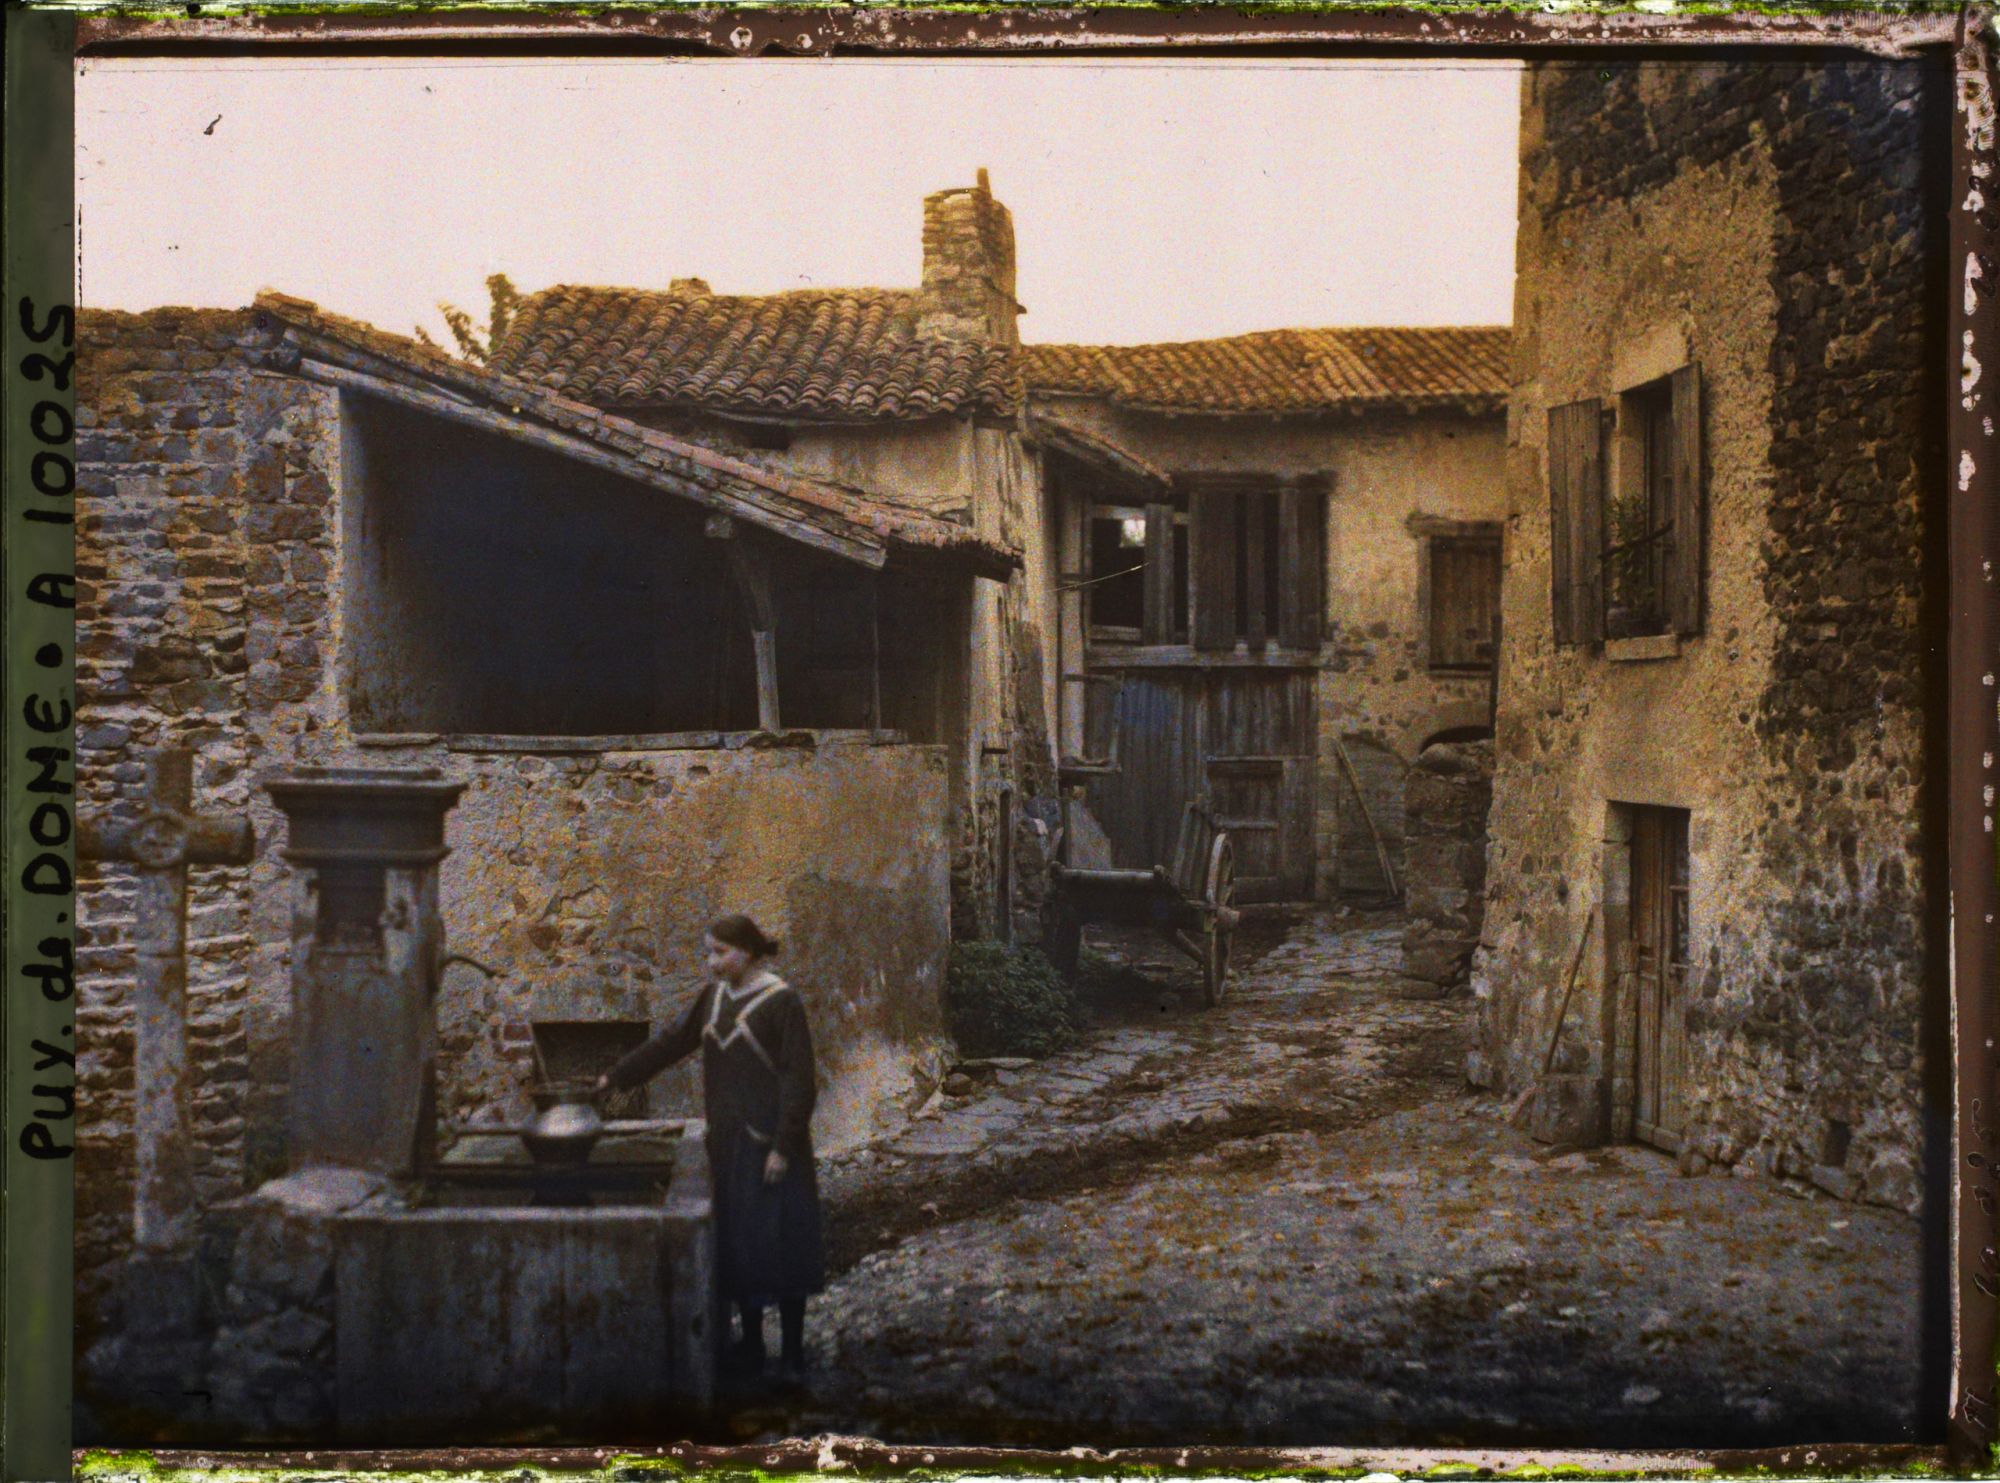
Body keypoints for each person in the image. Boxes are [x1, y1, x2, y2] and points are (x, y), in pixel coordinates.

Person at [597, 914, 825, 1380]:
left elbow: (799, 1081)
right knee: (742, 1243)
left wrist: (784, 1145)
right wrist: (616, 1076)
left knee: (782, 1244)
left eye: (719, 953)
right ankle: (755, 1348)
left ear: (748, 951)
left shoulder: (782, 1003)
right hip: (729, 1147)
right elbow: (669, 1043)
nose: (712, 963)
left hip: (772, 1147)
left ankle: (796, 1355)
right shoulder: (713, 998)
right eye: (708, 952)